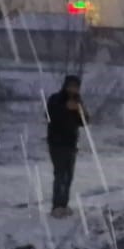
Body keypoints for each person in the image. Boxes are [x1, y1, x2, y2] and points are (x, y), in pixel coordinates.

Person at [46, 75, 89, 218]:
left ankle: (64, 204)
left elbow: (84, 121)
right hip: (57, 143)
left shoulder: (77, 101)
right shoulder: (56, 99)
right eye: (71, 86)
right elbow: (50, 116)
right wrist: (65, 108)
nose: (73, 89)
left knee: (68, 176)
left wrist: (81, 110)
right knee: (60, 174)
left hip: (71, 144)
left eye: (76, 87)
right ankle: (57, 206)